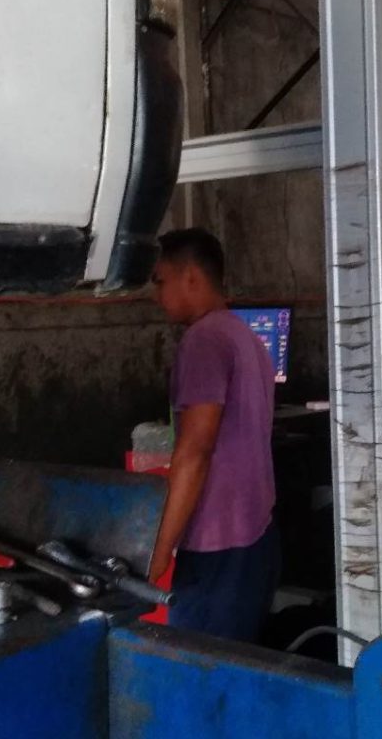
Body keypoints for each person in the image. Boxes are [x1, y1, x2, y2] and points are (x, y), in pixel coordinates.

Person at [147, 227, 280, 642]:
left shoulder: (203, 340)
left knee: (198, 665)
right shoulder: (246, 337)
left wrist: (159, 549)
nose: (157, 295)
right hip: (256, 535)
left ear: (190, 277)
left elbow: (195, 450)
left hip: (216, 543)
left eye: (160, 281)